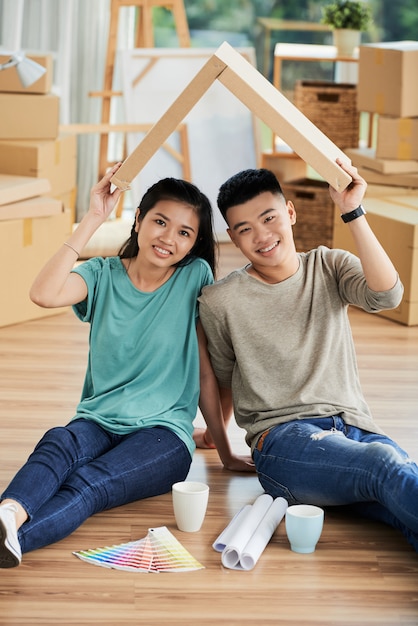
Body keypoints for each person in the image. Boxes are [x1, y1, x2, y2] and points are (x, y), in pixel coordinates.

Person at [0, 163, 253, 569]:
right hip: (98, 420)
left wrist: (223, 448)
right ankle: (9, 514)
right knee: (57, 443)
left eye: (184, 233)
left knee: (88, 483)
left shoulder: (195, 277)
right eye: (160, 222)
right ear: (138, 220)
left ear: (194, 244)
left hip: (162, 437)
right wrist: (94, 216)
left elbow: (206, 370)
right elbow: (42, 293)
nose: (169, 238)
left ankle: (16, 538)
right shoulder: (100, 274)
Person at [198, 159, 418, 552]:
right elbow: (222, 377)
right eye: (245, 229)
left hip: (356, 430)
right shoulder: (221, 301)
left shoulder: (329, 266)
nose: (262, 236)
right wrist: (222, 444)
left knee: (401, 504)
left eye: (269, 218)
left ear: (291, 212)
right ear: (232, 236)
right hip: (284, 441)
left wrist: (353, 211)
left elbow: (387, 296)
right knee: (386, 466)